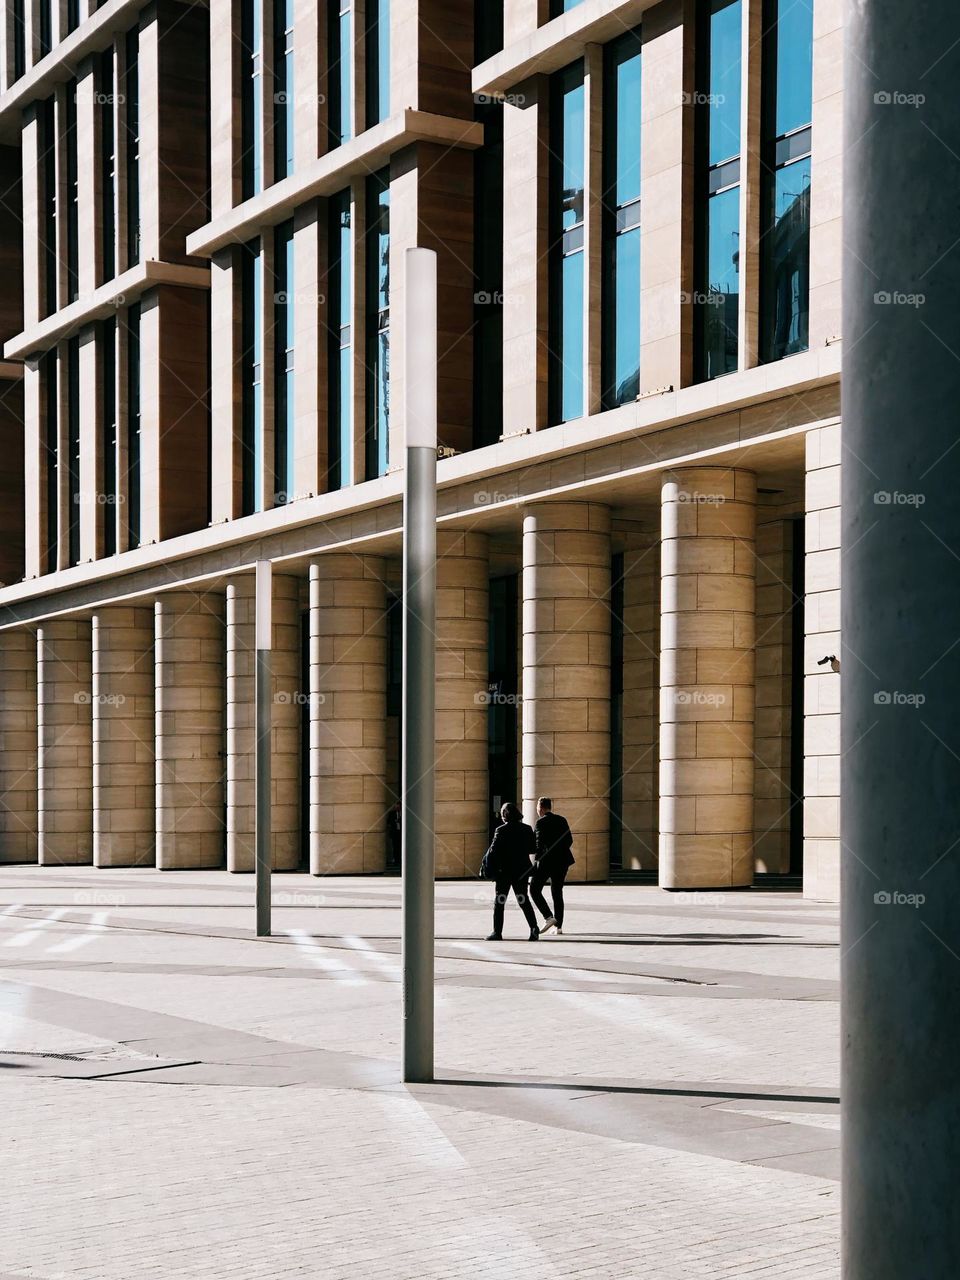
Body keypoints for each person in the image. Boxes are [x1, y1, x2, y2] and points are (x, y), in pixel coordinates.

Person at [482, 803, 540, 942]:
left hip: (505, 872)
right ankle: (534, 927)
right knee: (523, 900)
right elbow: (533, 849)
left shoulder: (500, 830)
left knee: (499, 902)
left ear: (505, 815)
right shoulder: (527, 829)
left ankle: (497, 932)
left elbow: (494, 851)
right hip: (521, 871)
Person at [529, 797, 574, 935]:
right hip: (563, 861)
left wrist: (536, 862)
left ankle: (548, 916)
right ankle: (558, 926)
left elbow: (538, 845)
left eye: (537, 808)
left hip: (546, 862)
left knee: (534, 889)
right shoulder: (562, 820)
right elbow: (569, 840)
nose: (537, 810)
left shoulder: (540, 823)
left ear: (541, 808)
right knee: (557, 892)